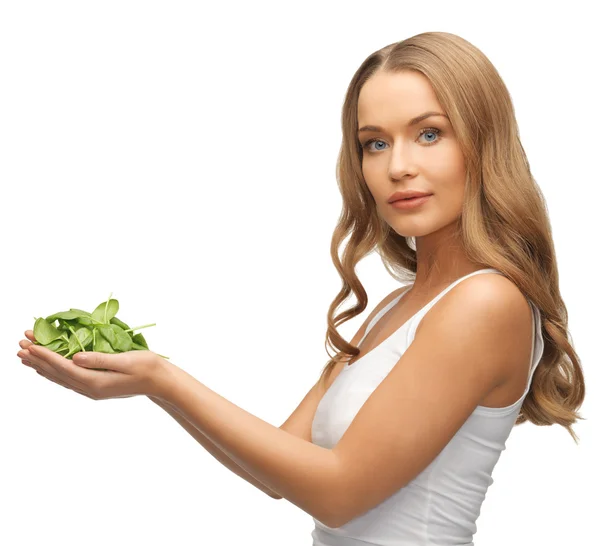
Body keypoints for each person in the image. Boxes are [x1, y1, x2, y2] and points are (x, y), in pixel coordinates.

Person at [303, 31, 585, 545]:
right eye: (376, 143)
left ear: (483, 143)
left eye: (429, 134)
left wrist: (162, 382)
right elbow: (283, 459)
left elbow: (336, 492)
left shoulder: (485, 302)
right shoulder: (397, 305)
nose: (397, 167)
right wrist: (148, 376)